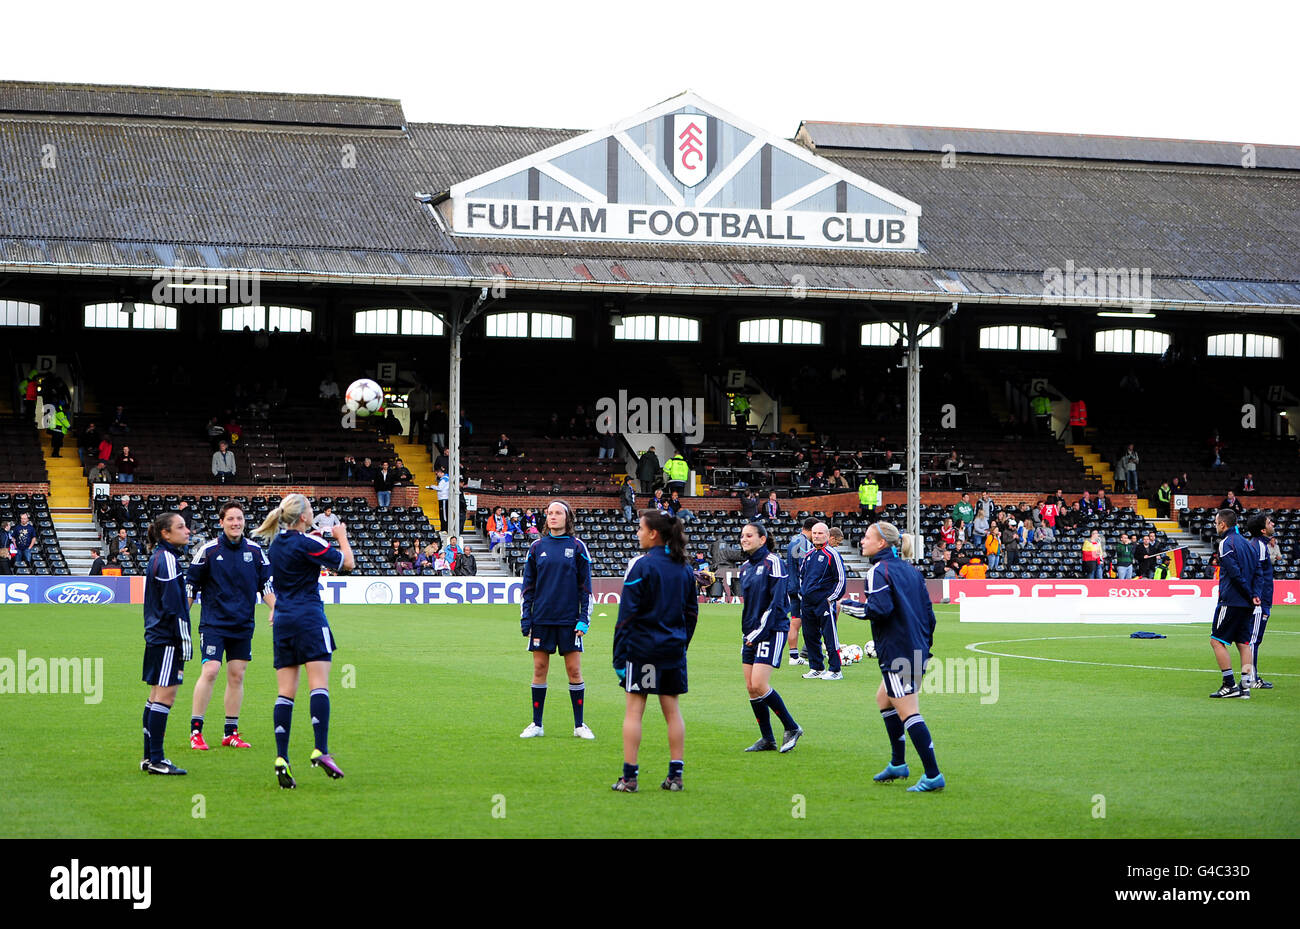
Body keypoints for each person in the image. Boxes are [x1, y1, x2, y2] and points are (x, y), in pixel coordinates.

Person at [251, 493, 355, 787]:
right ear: (304, 518)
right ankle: (320, 749)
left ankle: (281, 756)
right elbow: (347, 564)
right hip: (309, 617)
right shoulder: (310, 543)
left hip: (283, 619)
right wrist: (341, 536)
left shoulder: (276, 545)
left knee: (285, 692)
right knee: (318, 686)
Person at [841, 521, 944, 792]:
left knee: (909, 712)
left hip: (899, 651)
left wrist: (847, 606)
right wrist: (924, 643)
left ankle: (933, 775)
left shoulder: (878, 570)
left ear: (881, 543)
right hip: (915, 647)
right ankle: (898, 763)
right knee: (883, 699)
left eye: (866, 537)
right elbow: (929, 615)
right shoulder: (910, 571)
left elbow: (879, 610)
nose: (862, 541)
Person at [610, 510, 698, 791]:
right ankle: (676, 775)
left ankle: (629, 777)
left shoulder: (641, 566)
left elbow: (626, 616)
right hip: (672, 650)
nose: (637, 533)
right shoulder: (684, 568)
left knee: (634, 711)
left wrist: (619, 657)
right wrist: (682, 644)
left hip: (643, 650)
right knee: (672, 711)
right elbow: (691, 613)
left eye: (640, 528)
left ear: (653, 534)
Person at [186, 502, 275, 752]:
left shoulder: (256, 552)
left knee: (237, 675)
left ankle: (230, 732)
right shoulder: (208, 550)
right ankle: (196, 731)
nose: (236, 523)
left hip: (243, 624)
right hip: (214, 624)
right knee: (211, 670)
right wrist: (182, 614)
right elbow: (191, 585)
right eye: (231, 519)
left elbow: (266, 586)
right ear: (221, 522)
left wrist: (275, 608)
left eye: (239, 518)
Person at [519, 501, 595, 741]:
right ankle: (537, 723)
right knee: (539, 669)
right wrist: (526, 618)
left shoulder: (578, 547)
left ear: (567, 518)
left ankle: (579, 725)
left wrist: (584, 620)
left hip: (569, 621)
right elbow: (527, 588)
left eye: (558, 513)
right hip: (542, 619)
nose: (553, 516)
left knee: (574, 670)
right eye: (550, 513)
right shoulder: (536, 547)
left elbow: (586, 589)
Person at [735, 521, 803, 753]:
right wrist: (748, 632)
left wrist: (758, 632)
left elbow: (776, 605)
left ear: (762, 539)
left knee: (759, 684)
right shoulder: (745, 567)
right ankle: (767, 739)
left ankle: (792, 727)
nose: (744, 539)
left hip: (771, 631)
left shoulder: (774, 563)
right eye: (742, 535)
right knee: (750, 687)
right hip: (751, 633)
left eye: (749, 535)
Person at [140, 511, 193, 774]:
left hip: (156, 636)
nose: (187, 531)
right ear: (165, 533)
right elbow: (175, 607)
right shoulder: (168, 560)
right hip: (167, 638)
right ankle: (157, 760)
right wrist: (185, 641)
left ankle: (149, 757)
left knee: (154, 697)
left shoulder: (159, 557)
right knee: (165, 697)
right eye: (181, 527)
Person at [1208, 508, 1259, 699]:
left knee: (1216, 641)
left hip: (1231, 600)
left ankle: (1229, 685)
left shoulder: (1226, 544)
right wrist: (1254, 594)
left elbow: (1235, 573)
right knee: (1244, 643)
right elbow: (1257, 572)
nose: (1215, 526)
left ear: (1223, 524)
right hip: (1247, 602)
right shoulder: (1248, 544)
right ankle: (1245, 687)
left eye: (1216, 522)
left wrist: (1247, 591)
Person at [798, 522, 848, 680]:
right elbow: (802, 576)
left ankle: (835, 670)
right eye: (814, 533)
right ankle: (816, 667)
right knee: (809, 635)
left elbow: (840, 580)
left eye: (820, 533)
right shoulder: (809, 555)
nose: (817, 536)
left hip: (823, 603)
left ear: (827, 535)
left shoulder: (832, 555)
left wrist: (830, 599)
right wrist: (802, 594)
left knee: (829, 636)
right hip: (807, 603)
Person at [1244, 513, 1275, 690]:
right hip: (1259, 601)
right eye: (1269, 522)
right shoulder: (1259, 547)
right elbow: (1255, 574)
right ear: (1263, 530)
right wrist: (1257, 599)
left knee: (1253, 640)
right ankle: (1252, 679)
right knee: (1253, 641)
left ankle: (1251, 676)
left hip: (1262, 600)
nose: (1273, 524)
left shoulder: (1259, 545)